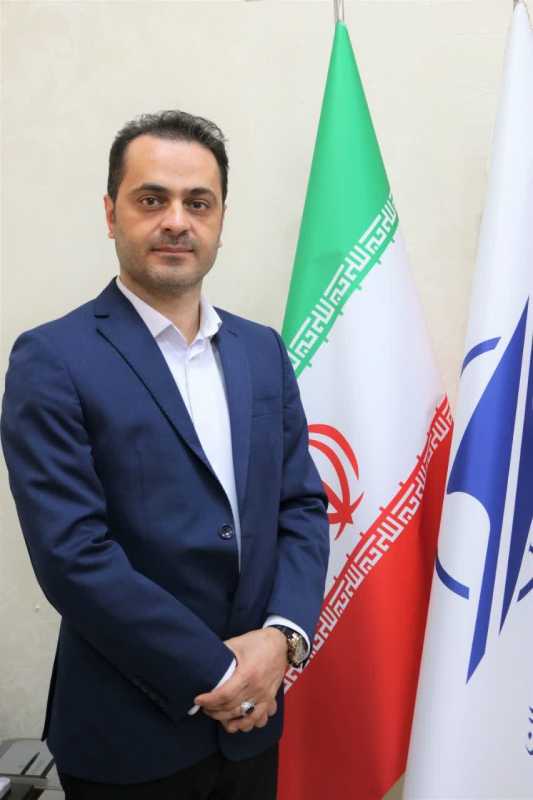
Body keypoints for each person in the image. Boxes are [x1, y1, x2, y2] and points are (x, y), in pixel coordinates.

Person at [0, 110, 329, 799]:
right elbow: (72, 555)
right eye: (152, 199)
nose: (176, 221)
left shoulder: (261, 351)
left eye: (197, 203)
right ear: (111, 213)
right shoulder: (52, 359)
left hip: (253, 726)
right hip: (128, 735)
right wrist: (221, 674)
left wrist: (282, 639)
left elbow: (299, 506)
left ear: (221, 219)